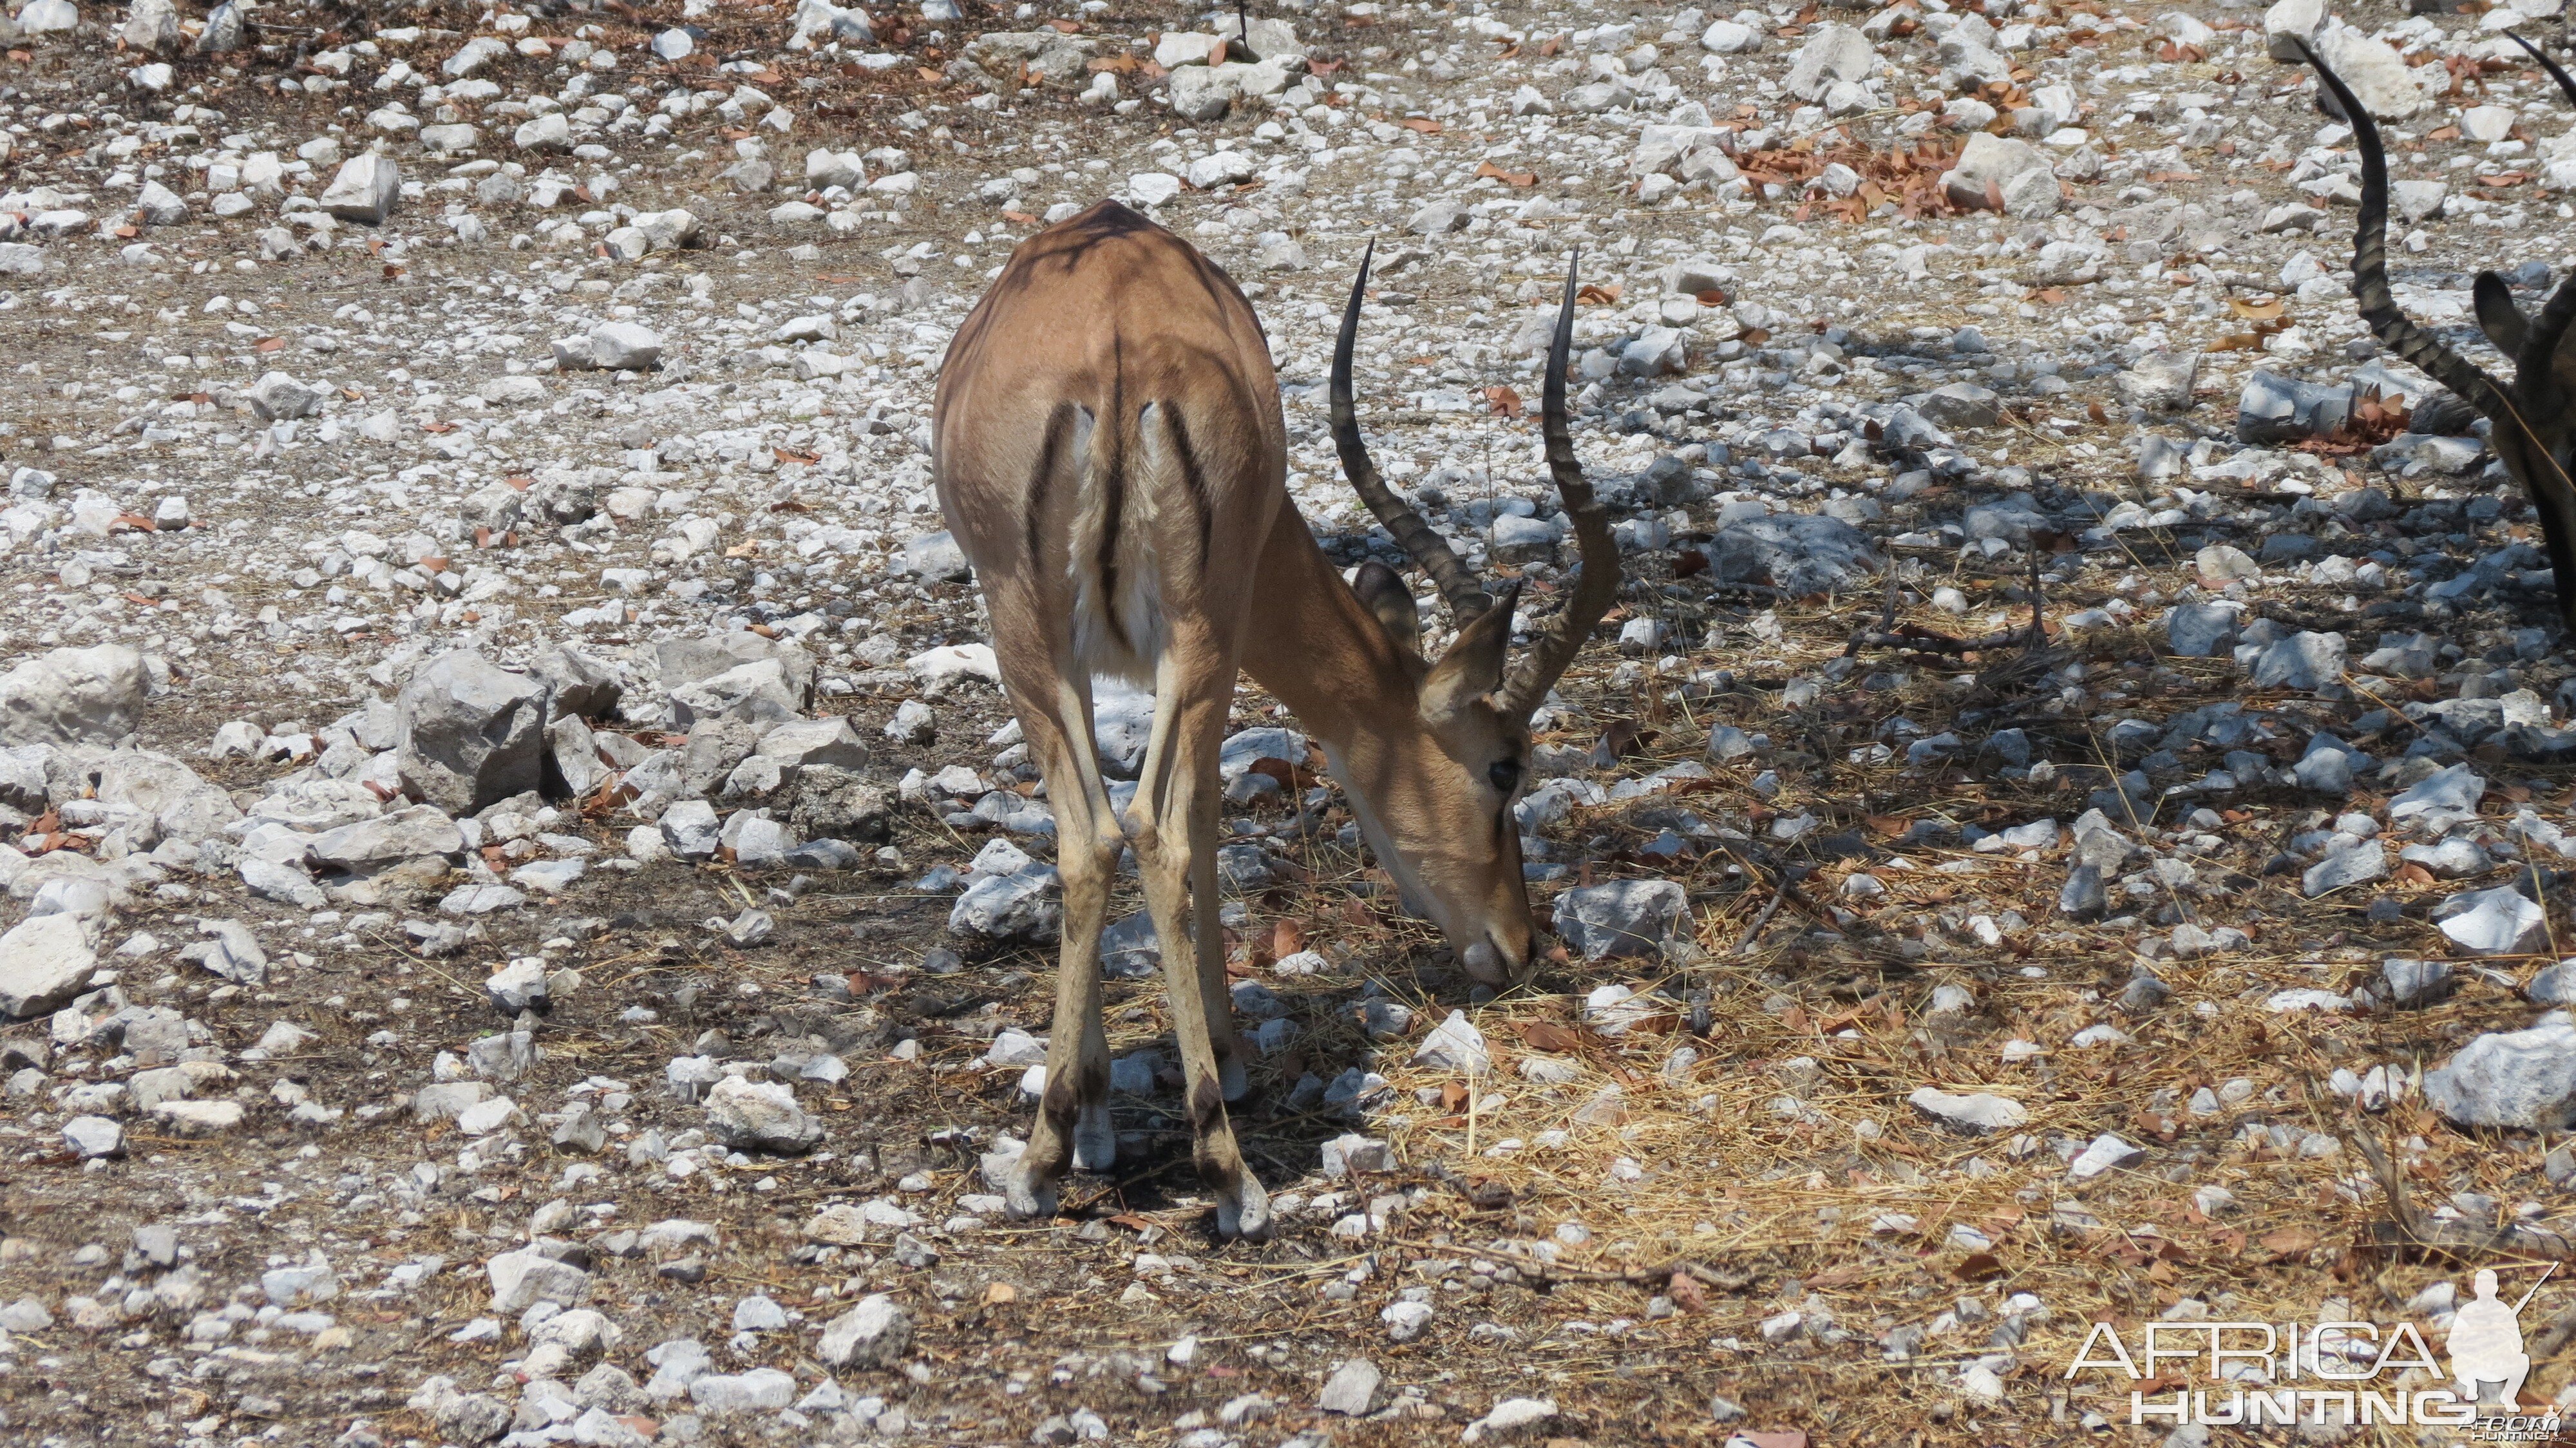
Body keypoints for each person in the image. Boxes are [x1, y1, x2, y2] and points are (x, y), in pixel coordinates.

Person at [2448, 1270, 2531, 1415]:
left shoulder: (2503, 1310)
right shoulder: (2467, 1309)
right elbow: (2454, 1342)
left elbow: (2517, 1341)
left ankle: (2504, 1402)